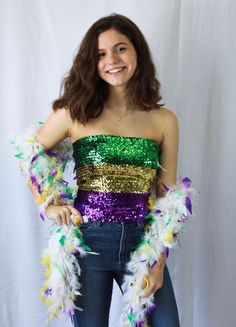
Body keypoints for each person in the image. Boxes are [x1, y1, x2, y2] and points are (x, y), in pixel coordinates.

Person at [13, 13, 191, 327]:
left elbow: (168, 199)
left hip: (141, 243)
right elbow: (29, 155)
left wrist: (159, 262)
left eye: (120, 48)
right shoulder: (74, 112)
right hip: (88, 242)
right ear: (91, 63)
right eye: (100, 54)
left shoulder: (164, 120)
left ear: (137, 52)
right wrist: (49, 203)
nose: (112, 60)